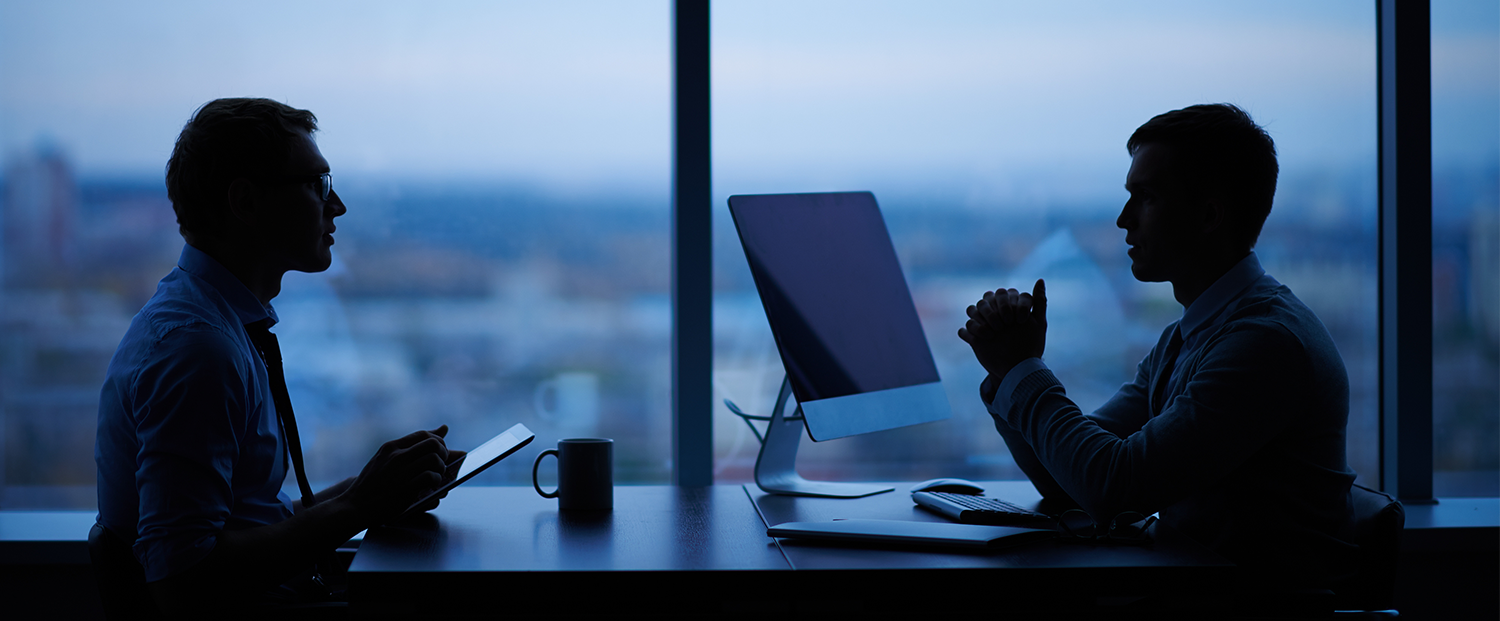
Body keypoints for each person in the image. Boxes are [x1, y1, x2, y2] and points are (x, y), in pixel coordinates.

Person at [958, 103, 1356, 589]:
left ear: (1209, 214)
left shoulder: (1265, 346)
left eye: (1145, 198)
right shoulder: (1191, 336)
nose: (1124, 219)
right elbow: (1071, 482)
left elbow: (1113, 487)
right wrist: (1008, 377)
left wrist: (1021, 368)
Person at [96, 98, 461, 615]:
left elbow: (250, 521)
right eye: (317, 186)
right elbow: (182, 580)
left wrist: (376, 488)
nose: (337, 207)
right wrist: (360, 504)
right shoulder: (198, 350)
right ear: (245, 202)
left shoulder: (210, 323)